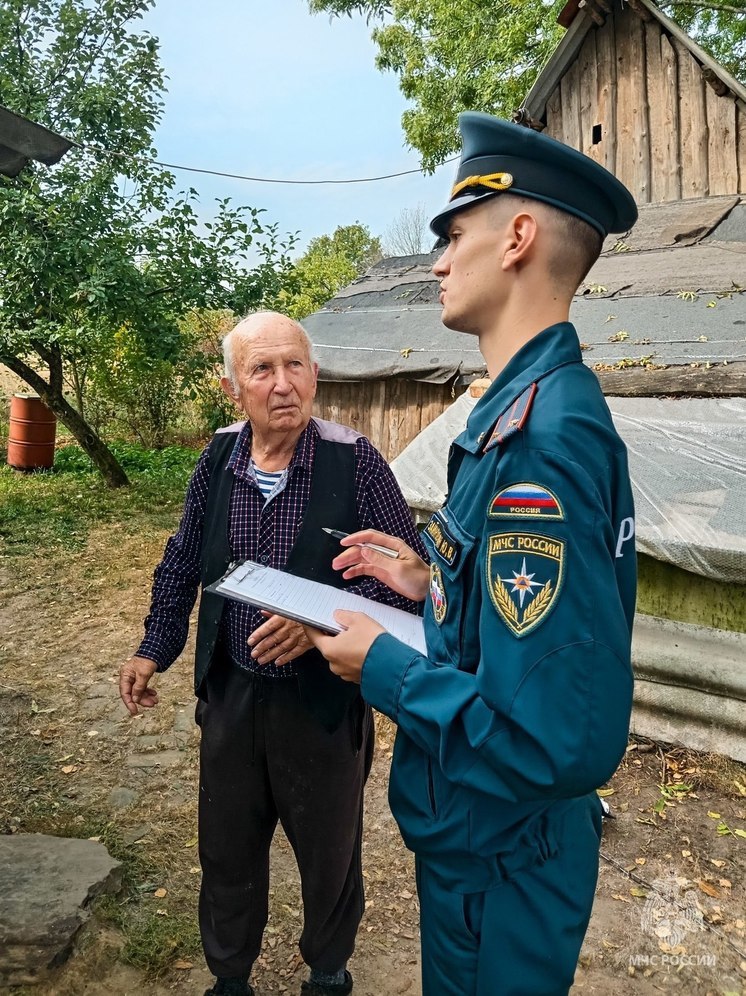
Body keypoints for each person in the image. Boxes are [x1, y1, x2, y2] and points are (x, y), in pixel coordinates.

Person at [305, 113, 638, 996]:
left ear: (518, 237)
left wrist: (382, 668)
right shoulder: (527, 410)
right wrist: (430, 579)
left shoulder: (540, 441)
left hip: (502, 856)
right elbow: (525, 620)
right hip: (490, 844)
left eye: (454, 236)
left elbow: (548, 739)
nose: (440, 261)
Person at [118, 311, 426, 996]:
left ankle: (327, 971)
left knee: (329, 853)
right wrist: (154, 648)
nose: (282, 384)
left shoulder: (357, 462)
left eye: (295, 366)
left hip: (321, 705)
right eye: (262, 369)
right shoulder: (217, 459)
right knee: (226, 845)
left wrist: (319, 619)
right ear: (235, 388)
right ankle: (230, 977)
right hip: (231, 693)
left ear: (315, 375)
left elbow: (410, 589)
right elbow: (182, 559)